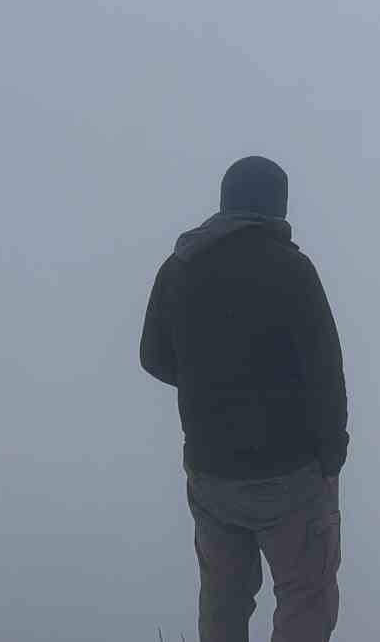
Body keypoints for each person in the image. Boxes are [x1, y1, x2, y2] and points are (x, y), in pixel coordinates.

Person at [141, 155, 348, 642]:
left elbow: (153, 356)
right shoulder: (292, 269)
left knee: (222, 599)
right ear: (278, 206)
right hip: (291, 474)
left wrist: (206, 387)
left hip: (212, 473)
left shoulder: (181, 267)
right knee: (304, 597)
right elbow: (325, 372)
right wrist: (331, 455)